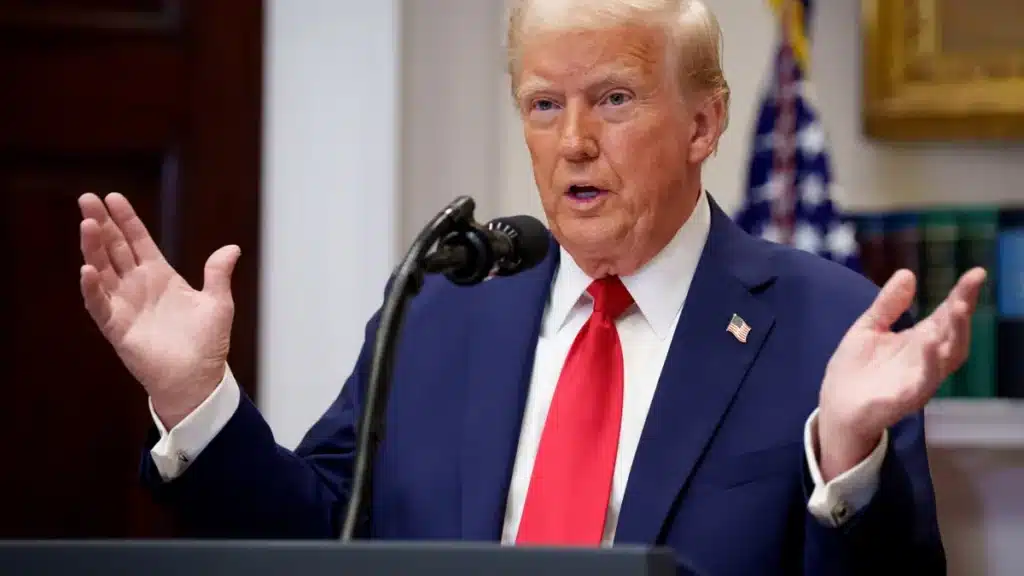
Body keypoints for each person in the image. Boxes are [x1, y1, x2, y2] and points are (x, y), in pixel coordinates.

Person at [77, 0, 983, 574]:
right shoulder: (441, 306)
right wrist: (196, 398)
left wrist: (847, 461)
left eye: (615, 99)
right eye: (544, 105)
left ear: (704, 123)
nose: (574, 141)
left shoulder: (824, 321)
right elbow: (323, 538)